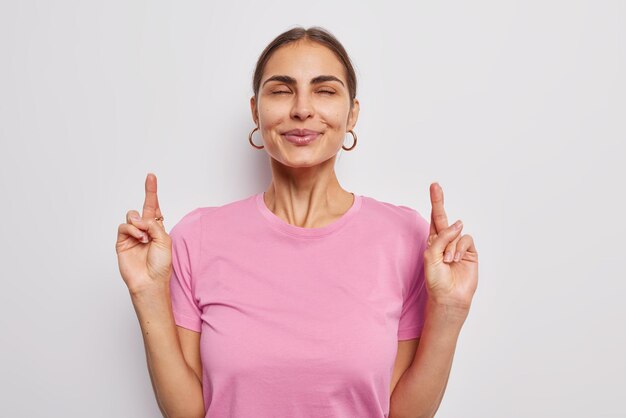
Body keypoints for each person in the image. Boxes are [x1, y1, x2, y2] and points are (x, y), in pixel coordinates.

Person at [115, 26, 479, 418]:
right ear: (256, 111)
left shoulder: (405, 238)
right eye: (281, 90)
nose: (302, 108)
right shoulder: (196, 237)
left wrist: (450, 309)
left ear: (351, 113)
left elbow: (404, 414)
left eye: (324, 91)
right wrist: (148, 292)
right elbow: (186, 413)